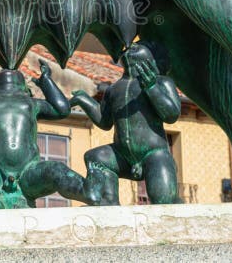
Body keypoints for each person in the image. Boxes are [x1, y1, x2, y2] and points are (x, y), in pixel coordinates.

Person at [0, 62, 87, 209]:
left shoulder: (32, 103)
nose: (8, 73)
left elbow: (62, 110)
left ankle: (91, 194)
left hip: (29, 171)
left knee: (57, 170)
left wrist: (46, 81)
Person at [71, 41, 181, 205]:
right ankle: (109, 202)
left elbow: (172, 114)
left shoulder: (162, 82)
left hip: (154, 153)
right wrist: (83, 99)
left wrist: (151, 88)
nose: (131, 47)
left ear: (152, 58)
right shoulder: (113, 89)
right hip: (122, 155)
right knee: (96, 158)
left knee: (164, 201)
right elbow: (104, 121)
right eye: (129, 47)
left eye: (139, 46)